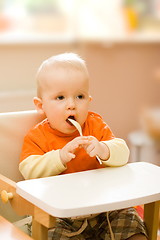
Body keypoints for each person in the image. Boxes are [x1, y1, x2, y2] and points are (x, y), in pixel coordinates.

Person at [19, 53, 148, 240]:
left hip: (105, 208)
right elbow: (28, 170)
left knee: (131, 221)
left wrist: (104, 149)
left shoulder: (95, 126)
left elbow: (123, 152)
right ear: (41, 106)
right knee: (50, 230)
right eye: (60, 97)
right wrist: (60, 157)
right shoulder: (37, 136)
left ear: (89, 100)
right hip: (60, 215)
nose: (71, 105)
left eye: (79, 96)